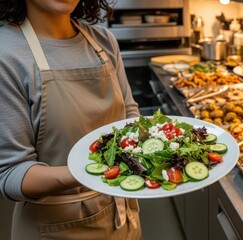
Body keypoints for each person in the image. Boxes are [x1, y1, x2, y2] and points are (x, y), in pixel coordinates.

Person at [0, 0, 143, 239]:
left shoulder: (103, 42)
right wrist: (94, 171)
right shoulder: (7, 54)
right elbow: (12, 173)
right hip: (55, 228)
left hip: (125, 219)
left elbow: (130, 115)